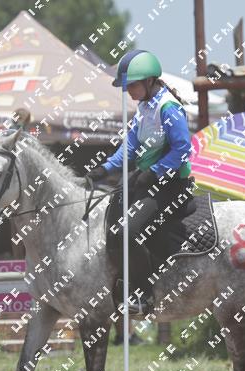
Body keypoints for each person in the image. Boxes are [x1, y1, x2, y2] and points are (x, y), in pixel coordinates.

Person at [82, 50, 194, 315]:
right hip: (148, 180)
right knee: (110, 220)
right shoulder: (144, 108)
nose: (128, 91)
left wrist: (155, 171)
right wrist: (104, 169)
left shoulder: (168, 108)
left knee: (127, 232)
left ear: (149, 81)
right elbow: (130, 147)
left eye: (132, 85)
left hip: (171, 185)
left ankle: (144, 295)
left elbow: (182, 149)